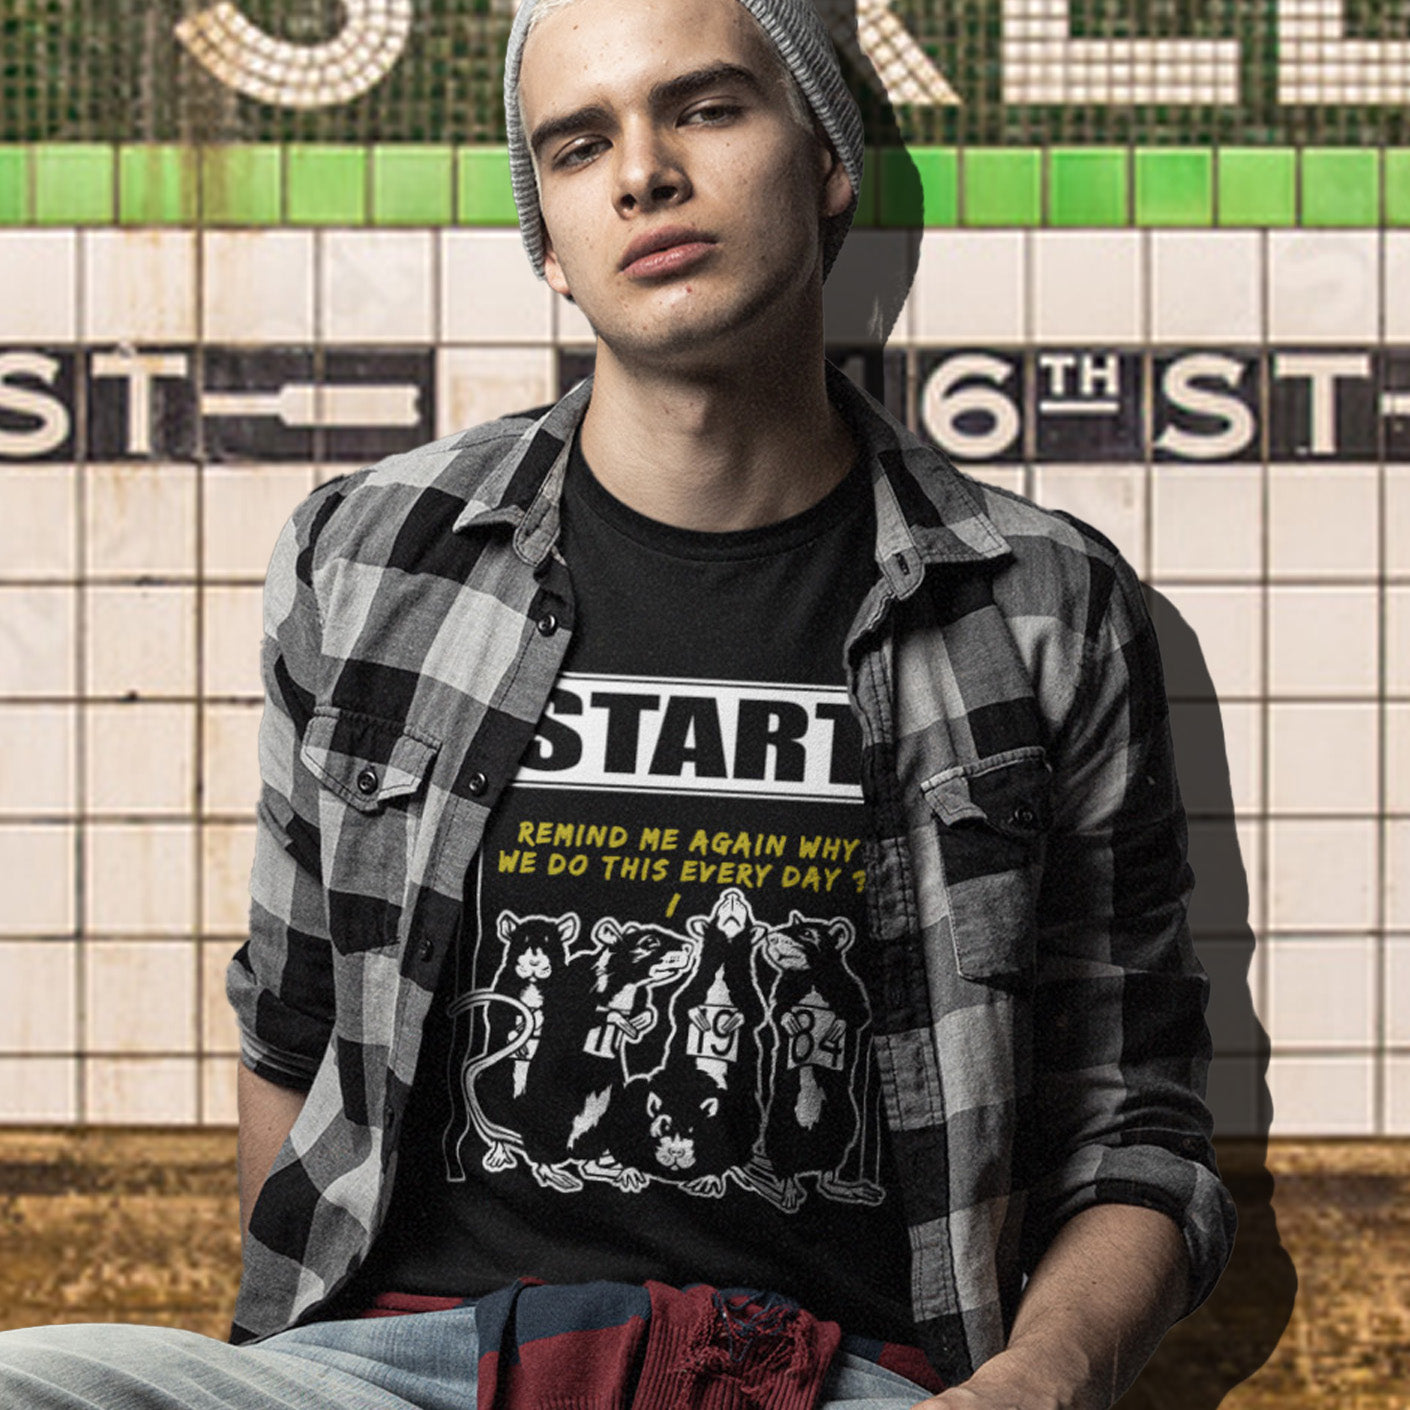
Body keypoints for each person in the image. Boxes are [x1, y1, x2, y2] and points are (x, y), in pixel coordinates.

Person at [0, 0, 1235, 1405]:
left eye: (704, 109)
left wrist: (1043, 1377)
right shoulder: (373, 555)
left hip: (827, 1379)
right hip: (399, 1369)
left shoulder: (1034, 601)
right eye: (579, 146)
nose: (641, 173)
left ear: (826, 157)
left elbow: (1131, 1131)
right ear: (548, 240)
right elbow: (291, 1032)